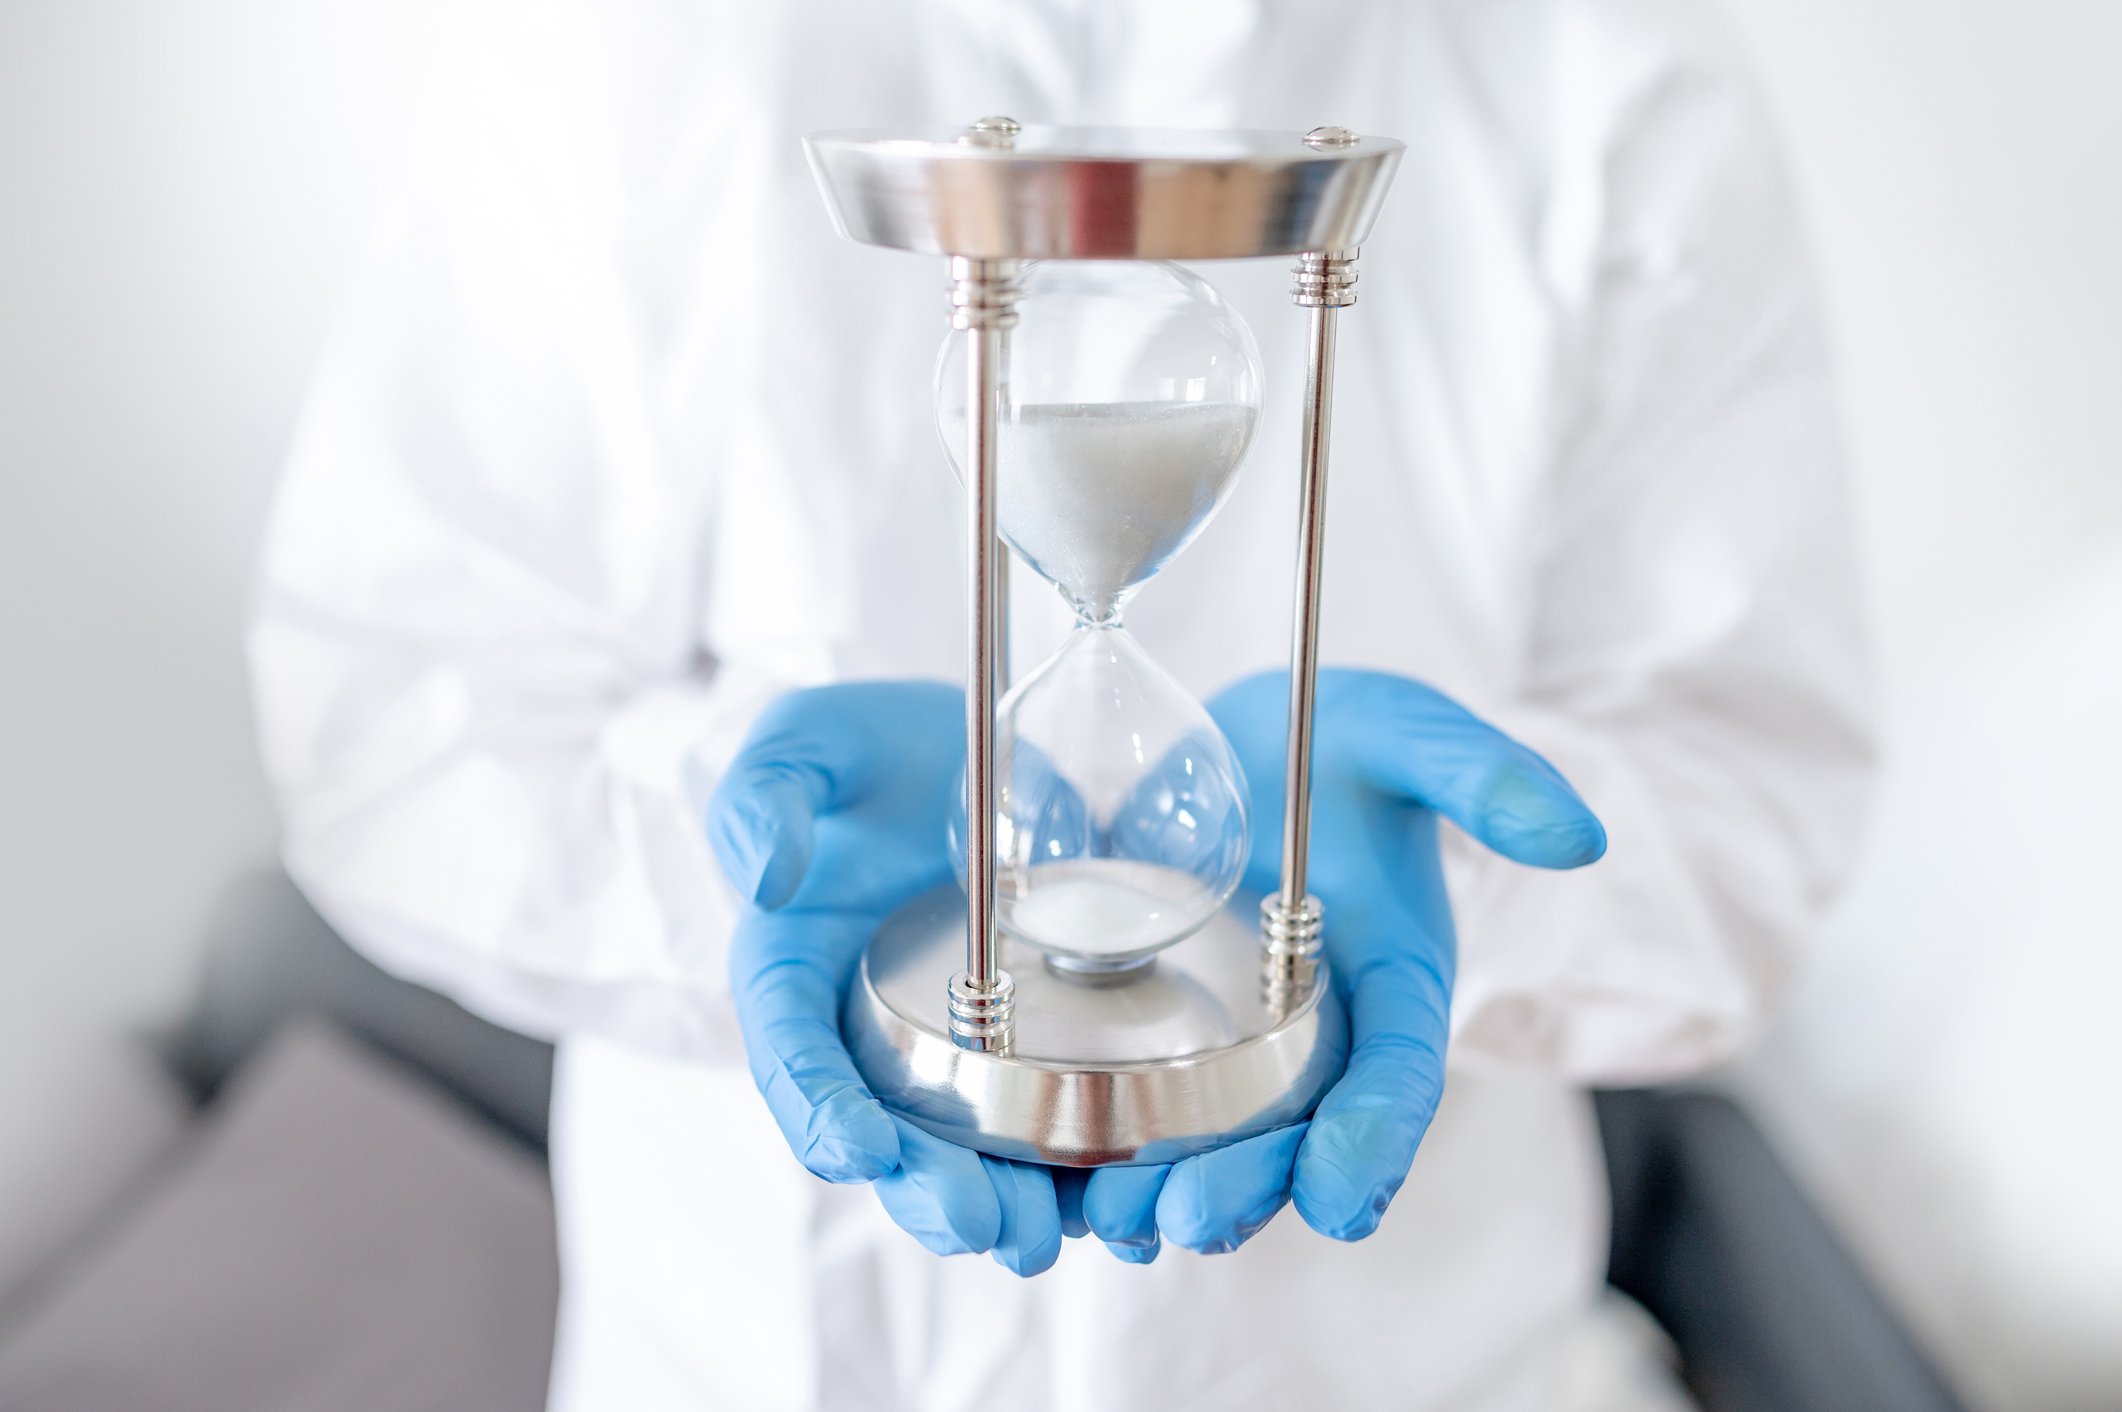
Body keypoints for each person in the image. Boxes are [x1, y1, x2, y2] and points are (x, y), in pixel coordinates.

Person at [249, 2, 1872, 1408]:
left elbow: (1754, 793)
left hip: (1383, 1369)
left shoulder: (1598, 79)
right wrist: (735, 841)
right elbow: (388, 719)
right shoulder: (639, 52)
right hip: (756, 1357)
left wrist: (1451, 868)